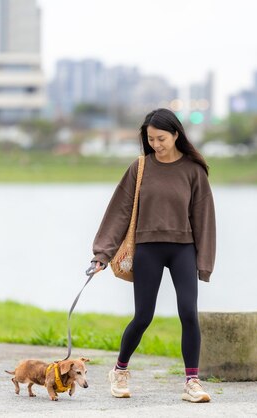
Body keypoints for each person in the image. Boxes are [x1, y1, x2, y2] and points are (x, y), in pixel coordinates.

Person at [88, 108, 216, 403]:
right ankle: (120, 370)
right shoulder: (140, 167)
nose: (156, 144)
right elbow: (119, 211)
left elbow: (204, 218)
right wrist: (101, 255)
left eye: (161, 138)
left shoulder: (194, 171)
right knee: (144, 316)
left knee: (188, 313)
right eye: (151, 139)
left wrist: (204, 263)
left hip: (183, 249)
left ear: (176, 135)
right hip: (148, 249)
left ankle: (192, 382)